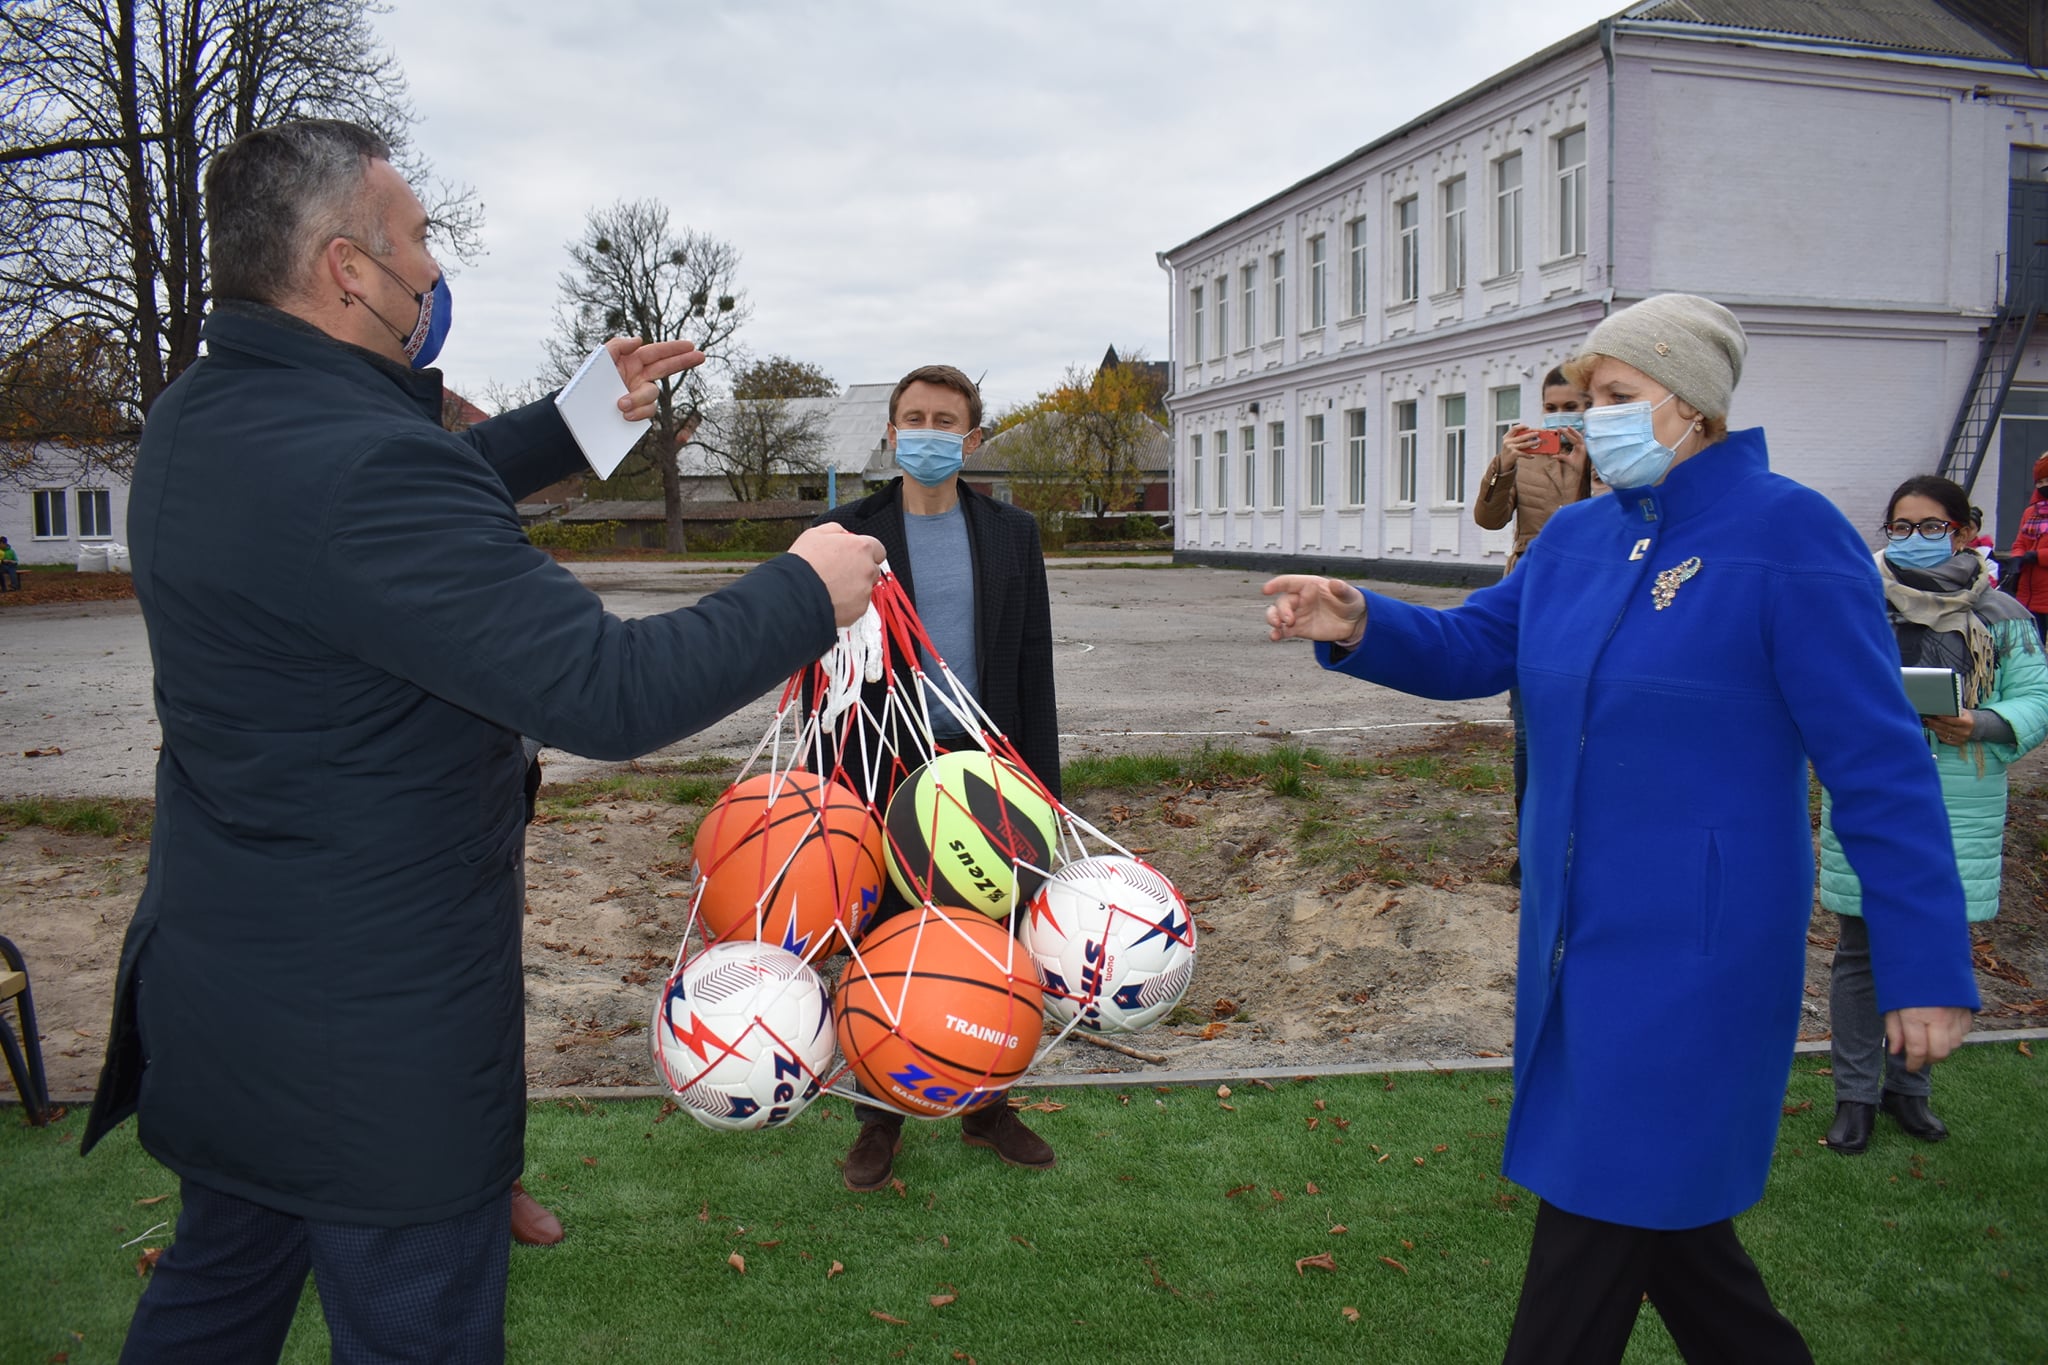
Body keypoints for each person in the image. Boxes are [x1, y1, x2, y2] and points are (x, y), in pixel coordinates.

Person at [81, 119, 885, 1365]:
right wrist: (799, 588)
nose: (429, 271)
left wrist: (573, 420)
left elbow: (379, 501)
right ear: (346, 269)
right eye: (413, 244)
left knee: (214, 1299)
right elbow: (603, 688)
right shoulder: (363, 469)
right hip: (366, 1049)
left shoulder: (202, 416)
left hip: (229, 999)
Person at [1261, 293, 1977, 1365]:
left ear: (1691, 405)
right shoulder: (1581, 537)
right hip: (1574, 941)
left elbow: (1875, 761)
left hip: (1699, 954)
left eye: (1614, 397)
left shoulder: (1789, 534)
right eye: (1584, 398)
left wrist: (1923, 958)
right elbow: (1474, 648)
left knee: (1597, 1212)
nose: (1587, 420)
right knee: (1673, 1230)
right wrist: (1359, 620)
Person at [813, 363, 1061, 1192]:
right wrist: (827, 792)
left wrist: (1046, 795)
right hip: (883, 765)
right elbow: (821, 670)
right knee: (885, 940)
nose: (926, 430)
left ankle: (986, 1106)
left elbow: (1031, 664)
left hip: (985, 772)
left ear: (972, 436)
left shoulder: (1011, 534)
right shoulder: (849, 533)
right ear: (890, 431)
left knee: (988, 940)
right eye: (912, 416)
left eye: (944, 418)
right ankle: (878, 1113)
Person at [1818, 475, 2048, 1154]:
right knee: (1859, 952)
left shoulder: (2003, 614)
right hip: (1871, 791)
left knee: (1936, 947)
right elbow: (1824, 684)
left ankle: (1909, 1091)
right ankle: (1854, 1095)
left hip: (1962, 797)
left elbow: (2035, 697)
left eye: (1930, 526)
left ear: (1962, 527)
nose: (1914, 539)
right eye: (1901, 526)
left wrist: (1983, 720)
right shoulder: (1855, 603)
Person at [1471, 367, 1594, 883]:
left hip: (1593, 594)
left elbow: (1622, 519)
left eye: (1573, 407)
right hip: (1532, 593)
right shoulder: (1525, 456)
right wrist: (1503, 463)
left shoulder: (1610, 458)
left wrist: (1590, 469)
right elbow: (1488, 519)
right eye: (1554, 406)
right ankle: (1532, 852)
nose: (1562, 417)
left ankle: (1583, 850)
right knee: (1527, 734)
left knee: (1588, 731)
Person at [2005, 453, 2048, 638]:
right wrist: (2016, 558)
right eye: (2040, 482)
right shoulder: (2031, 512)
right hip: (2027, 594)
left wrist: (2037, 556)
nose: (2044, 485)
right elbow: (2020, 542)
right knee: (2030, 647)